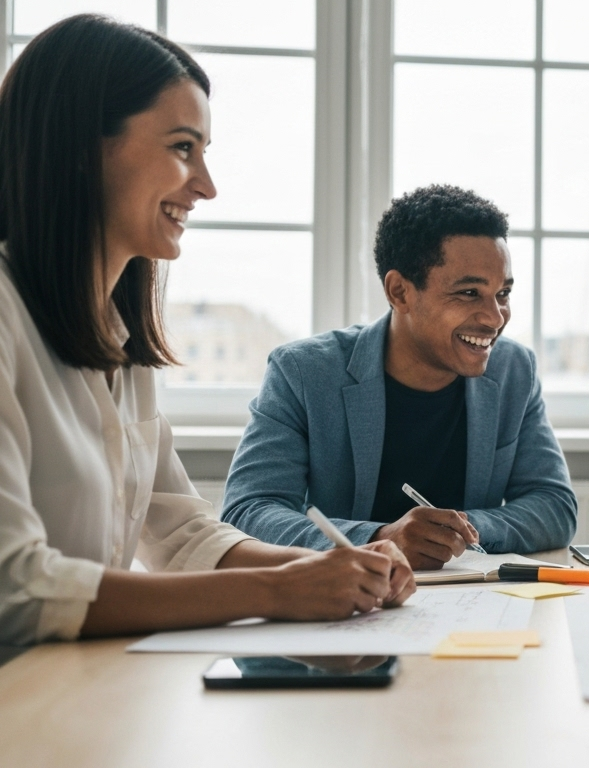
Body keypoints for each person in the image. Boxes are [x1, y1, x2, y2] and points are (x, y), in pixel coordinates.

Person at [0, 15, 415, 645]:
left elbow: (180, 532)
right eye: (181, 148)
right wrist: (277, 591)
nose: (206, 186)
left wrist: (333, 570)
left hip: (77, 682)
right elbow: (15, 585)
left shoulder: (119, 342)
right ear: (82, 148)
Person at [222, 185, 576, 568]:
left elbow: (554, 506)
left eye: (502, 293)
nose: (495, 317)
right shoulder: (303, 372)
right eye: (469, 293)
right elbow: (248, 510)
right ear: (400, 292)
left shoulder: (515, 370)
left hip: (472, 594)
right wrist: (380, 539)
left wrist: (458, 530)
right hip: (347, 593)